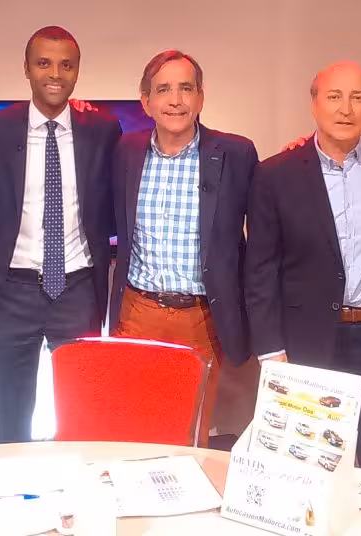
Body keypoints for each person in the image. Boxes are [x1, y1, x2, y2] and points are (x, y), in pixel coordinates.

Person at [245, 62, 361, 475]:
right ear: (314, 103)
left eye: (358, 98)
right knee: (306, 465)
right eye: (334, 97)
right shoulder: (275, 174)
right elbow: (260, 270)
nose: (346, 109)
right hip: (306, 340)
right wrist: (270, 351)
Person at [0, 26, 122, 444]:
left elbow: (118, 197)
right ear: (27, 69)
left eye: (66, 65)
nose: (55, 74)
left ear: (77, 71)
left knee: (84, 420)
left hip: (79, 291)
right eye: (44, 63)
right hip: (10, 293)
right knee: (10, 424)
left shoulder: (103, 130)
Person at [109, 50, 259, 446]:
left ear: (201, 97)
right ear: (146, 101)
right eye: (163, 90)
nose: (175, 100)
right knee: (135, 432)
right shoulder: (126, 151)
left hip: (202, 318)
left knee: (191, 435)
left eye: (186, 88)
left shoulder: (236, 154)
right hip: (138, 313)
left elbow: (264, 233)